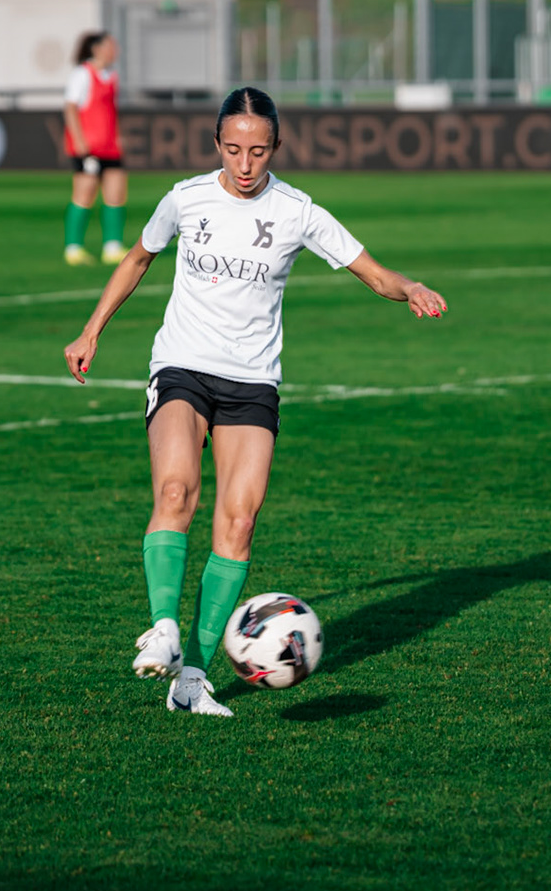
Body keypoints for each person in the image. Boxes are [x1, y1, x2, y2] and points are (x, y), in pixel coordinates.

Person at [63, 87, 448, 717]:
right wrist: (91, 330)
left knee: (238, 523)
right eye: (234, 149)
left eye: (259, 152)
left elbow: (374, 272)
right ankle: (163, 627)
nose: (245, 165)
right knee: (176, 491)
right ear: (216, 143)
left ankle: (192, 678)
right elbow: (137, 259)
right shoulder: (185, 198)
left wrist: (409, 287)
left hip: (252, 382)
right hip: (183, 365)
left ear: (276, 148)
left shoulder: (298, 211)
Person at [63, 31, 128, 266]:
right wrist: (79, 140)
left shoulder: (111, 76)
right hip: (89, 147)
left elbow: (111, 111)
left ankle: (112, 247)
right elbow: (71, 108)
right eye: (111, 46)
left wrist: (117, 136)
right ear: (97, 48)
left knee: (116, 191)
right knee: (85, 193)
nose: (115, 51)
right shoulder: (82, 74)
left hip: (109, 146)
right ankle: (73, 248)